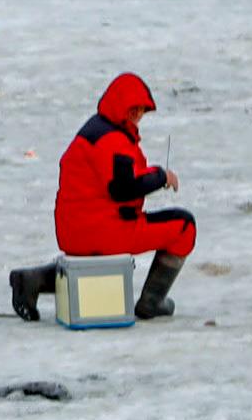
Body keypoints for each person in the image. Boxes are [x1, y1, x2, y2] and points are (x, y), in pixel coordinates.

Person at [13, 73, 194, 320]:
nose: (138, 114)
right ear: (120, 105)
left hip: (74, 232)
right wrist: (161, 177)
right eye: (133, 108)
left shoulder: (95, 130)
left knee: (89, 267)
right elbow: (122, 188)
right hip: (107, 231)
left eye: (142, 109)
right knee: (184, 226)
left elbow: (111, 178)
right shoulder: (113, 140)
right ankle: (152, 302)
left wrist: (152, 174)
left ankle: (32, 280)